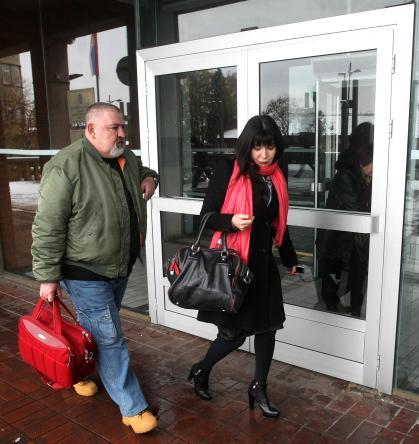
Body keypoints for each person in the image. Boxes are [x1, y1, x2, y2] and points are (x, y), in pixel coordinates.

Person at [31, 103, 159, 434]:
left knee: (97, 331)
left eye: (123, 126)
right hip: (85, 271)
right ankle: (133, 408)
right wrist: (47, 276)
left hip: (119, 267)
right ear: (90, 130)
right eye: (114, 127)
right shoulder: (66, 166)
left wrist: (150, 178)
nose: (122, 133)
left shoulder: (124, 157)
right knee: (111, 338)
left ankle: (79, 371)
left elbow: (142, 169)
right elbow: (47, 226)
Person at [188, 114, 301, 418]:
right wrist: (231, 221)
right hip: (237, 266)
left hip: (264, 266)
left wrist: (290, 259)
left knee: (268, 329)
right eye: (257, 147)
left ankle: (259, 387)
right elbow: (206, 216)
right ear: (247, 146)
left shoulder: (277, 174)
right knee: (233, 334)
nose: (264, 154)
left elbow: (279, 222)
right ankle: (202, 369)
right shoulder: (229, 169)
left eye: (270, 147)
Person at [317, 122, 374, 317]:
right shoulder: (345, 176)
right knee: (333, 278)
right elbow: (356, 208)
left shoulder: (362, 175)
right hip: (337, 237)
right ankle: (332, 313)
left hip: (351, 238)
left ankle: (352, 313)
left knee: (355, 278)